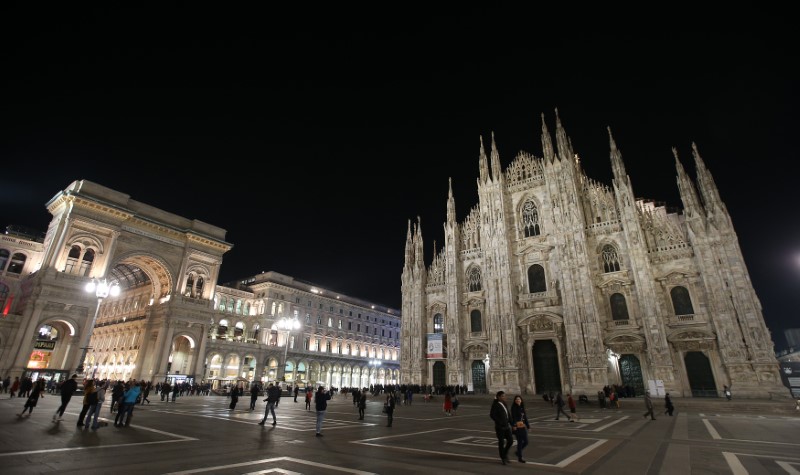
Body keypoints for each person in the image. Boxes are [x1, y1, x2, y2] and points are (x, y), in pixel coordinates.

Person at [489, 390, 514, 465]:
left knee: (510, 441)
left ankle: (505, 454)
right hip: (500, 427)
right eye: (503, 396)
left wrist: (512, 424)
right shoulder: (495, 404)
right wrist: (499, 422)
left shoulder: (504, 403)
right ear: (499, 397)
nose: (504, 397)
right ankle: (503, 458)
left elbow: (508, 414)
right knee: (501, 442)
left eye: (504, 396)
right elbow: (492, 415)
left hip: (506, 426)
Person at [510, 395, 530, 463]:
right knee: (520, 442)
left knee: (526, 442)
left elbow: (525, 418)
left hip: (522, 426)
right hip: (517, 427)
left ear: (521, 400)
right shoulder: (514, 408)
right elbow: (514, 417)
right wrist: (514, 425)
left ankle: (518, 452)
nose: (518, 400)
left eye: (519, 399)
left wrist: (528, 426)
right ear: (515, 401)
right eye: (516, 399)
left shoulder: (522, 407)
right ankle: (520, 457)